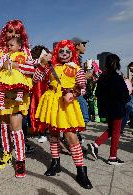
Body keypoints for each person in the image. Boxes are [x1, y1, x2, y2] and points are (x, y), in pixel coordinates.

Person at [34, 40, 92, 189]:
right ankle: (55, 163)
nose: (64, 54)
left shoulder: (76, 68)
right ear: (57, 53)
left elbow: (82, 87)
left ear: (72, 53)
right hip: (52, 101)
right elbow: (36, 79)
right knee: (53, 134)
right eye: (61, 51)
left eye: (67, 51)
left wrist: (73, 93)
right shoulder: (50, 67)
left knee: (70, 136)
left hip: (67, 103)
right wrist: (42, 63)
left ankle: (81, 170)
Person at [0, 19, 36, 178]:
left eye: (16, 32)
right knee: (4, 124)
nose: (12, 34)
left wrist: (14, 64)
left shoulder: (25, 50)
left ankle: (20, 160)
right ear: (4, 33)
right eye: (10, 31)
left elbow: (31, 69)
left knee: (16, 126)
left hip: (16, 94)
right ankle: (7, 153)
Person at [87, 54, 130, 165]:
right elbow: (125, 95)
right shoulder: (118, 78)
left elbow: (97, 93)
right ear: (117, 64)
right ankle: (112, 157)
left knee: (112, 130)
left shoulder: (102, 78)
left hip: (106, 109)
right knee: (116, 132)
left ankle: (95, 144)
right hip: (117, 108)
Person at [0, 37, 32, 110]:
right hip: (7, 75)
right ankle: (1, 102)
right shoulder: (6, 55)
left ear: (19, 46)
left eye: (11, 45)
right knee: (1, 87)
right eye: (8, 46)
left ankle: (19, 96)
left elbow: (30, 64)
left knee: (20, 84)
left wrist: (38, 61)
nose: (9, 47)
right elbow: (1, 62)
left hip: (17, 75)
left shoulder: (23, 55)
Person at [72, 37, 89, 152]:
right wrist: (86, 76)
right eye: (83, 44)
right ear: (77, 45)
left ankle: (74, 140)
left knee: (79, 117)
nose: (85, 46)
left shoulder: (78, 58)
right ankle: (72, 141)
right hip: (75, 92)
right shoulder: (73, 58)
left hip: (77, 92)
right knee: (83, 117)